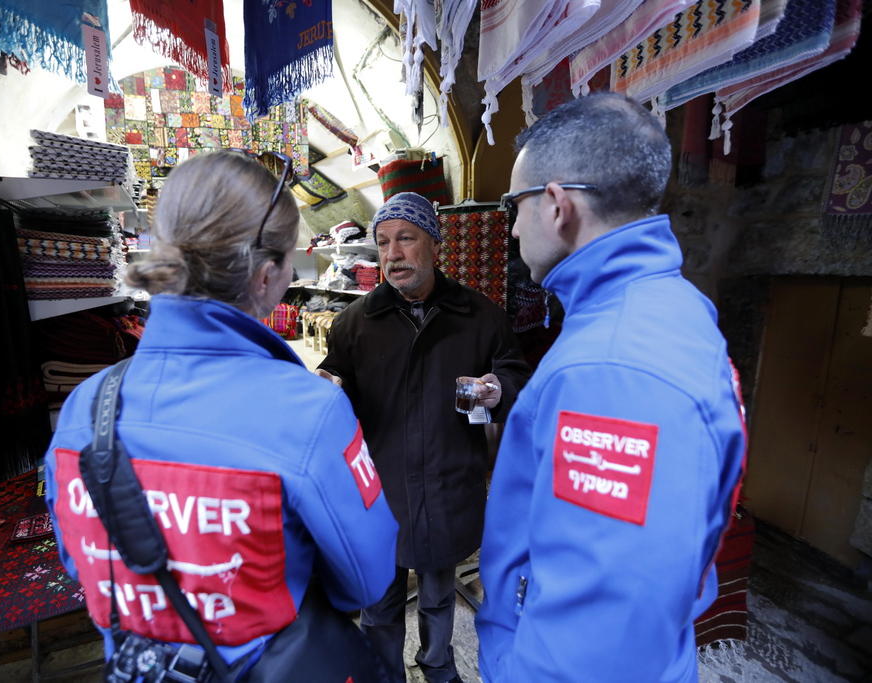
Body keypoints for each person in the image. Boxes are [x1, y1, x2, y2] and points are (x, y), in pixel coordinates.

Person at [44, 150, 399, 677]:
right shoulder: (307, 411)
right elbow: (367, 582)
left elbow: (84, 562)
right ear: (265, 276)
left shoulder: (87, 407)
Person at [476, 93, 747, 682]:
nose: (513, 225)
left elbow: (593, 635)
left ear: (555, 205)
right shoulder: (674, 307)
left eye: (513, 204)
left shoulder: (610, 371)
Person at [317, 191, 531, 683]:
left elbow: (515, 374)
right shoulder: (355, 323)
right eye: (384, 242)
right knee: (379, 601)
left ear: (434, 244)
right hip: (379, 487)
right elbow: (336, 383)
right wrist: (328, 389)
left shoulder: (479, 316)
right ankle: (383, 673)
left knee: (437, 593)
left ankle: (437, 666)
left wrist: (497, 388)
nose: (393, 254)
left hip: (447, 479)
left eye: (406, 239)